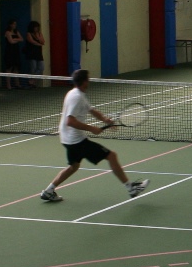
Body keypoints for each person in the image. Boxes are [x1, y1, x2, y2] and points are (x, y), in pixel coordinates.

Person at [41, 68, 149, 203]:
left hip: (66, 139)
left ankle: (48, 191)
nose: (89, 81)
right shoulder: (76, 97)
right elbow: (70, 121)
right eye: (88, 79)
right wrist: (92, 129)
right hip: (76, 140)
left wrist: (106, 120)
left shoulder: (75, 93)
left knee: (74, 166)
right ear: (84, 81)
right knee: (111, 156)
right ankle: (131, 188)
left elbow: (91, 110)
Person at [2, 19, 28, 89]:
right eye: (13, 24)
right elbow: (11, 41)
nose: (14, 25)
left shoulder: (16, 32)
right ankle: (8, 85)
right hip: (9, 51)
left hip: (16, 51)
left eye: (15, 24)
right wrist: (16, 40)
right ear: (10, 25)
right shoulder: (7, 32)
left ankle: (17, 84)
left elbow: (21, 39)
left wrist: (15, 39)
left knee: (16, 67)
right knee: (9, 67)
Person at [24, 20, 46, 86]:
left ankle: (32, 80)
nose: (36, 29)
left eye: (37, 27)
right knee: (33, 68)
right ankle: (32, 82)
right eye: (35, 27)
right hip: (31, 53)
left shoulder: (39, 33)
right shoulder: (29, 34)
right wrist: (39, 44)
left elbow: (43, 41)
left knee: (41, 67)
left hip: (38, 53)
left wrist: (38, 37)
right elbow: (32, 41)